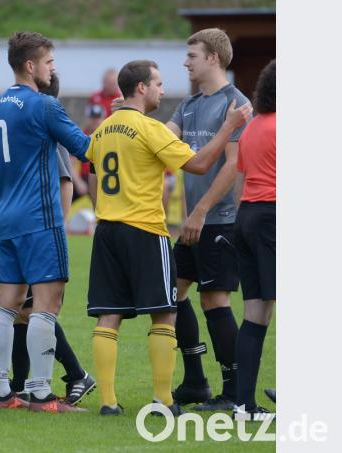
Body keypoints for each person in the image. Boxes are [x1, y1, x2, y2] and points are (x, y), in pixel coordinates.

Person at [85, 59, 251, 416]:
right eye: (158, 83)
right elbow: (201, 164)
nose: (163, 89)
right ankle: (164, 400)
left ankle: (108, 403)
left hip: (107, 230)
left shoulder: (102, 130)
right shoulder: (151, 128)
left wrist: (105, 210)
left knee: (108, 316)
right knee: (163, 314)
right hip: (144, 231)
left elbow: (94, 175)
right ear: (141, 87)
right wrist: (228, 127)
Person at [0, 72, 96, 407]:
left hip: (26, 226)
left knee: (22, 306)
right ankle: (45, 385)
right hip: (34, 227)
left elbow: (63, 182)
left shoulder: (20, 119)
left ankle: (28, 383)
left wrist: (53, 227)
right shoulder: (38, 125)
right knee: (32, 307)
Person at [0, 32, 91, 414]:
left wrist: (2, 220)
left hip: (7, 217)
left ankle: (1, 392)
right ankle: (42, 396)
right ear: (31, 65)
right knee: (48, 301)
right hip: (41, 219)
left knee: (6, 303)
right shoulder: (44, 105)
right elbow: (85, 148)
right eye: (49, 62)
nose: (52, 69)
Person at [167, 28, 251, 411]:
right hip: (191, 222)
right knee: (171, 293)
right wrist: (134, 116)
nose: (186, 62)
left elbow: (234, 165)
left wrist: (200, 211)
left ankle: (233, 392)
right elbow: (161, 141)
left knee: (215, 300)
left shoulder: (237, 105)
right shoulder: (186, 106)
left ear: (213, 58)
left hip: (219, 221)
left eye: (192, 55)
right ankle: (195, 380)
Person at [233, 59, 276, 421]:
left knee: (255, 314)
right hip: (273, 216)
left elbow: (242, 178)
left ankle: (243, 404)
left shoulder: (252, 127)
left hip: (246, 216)